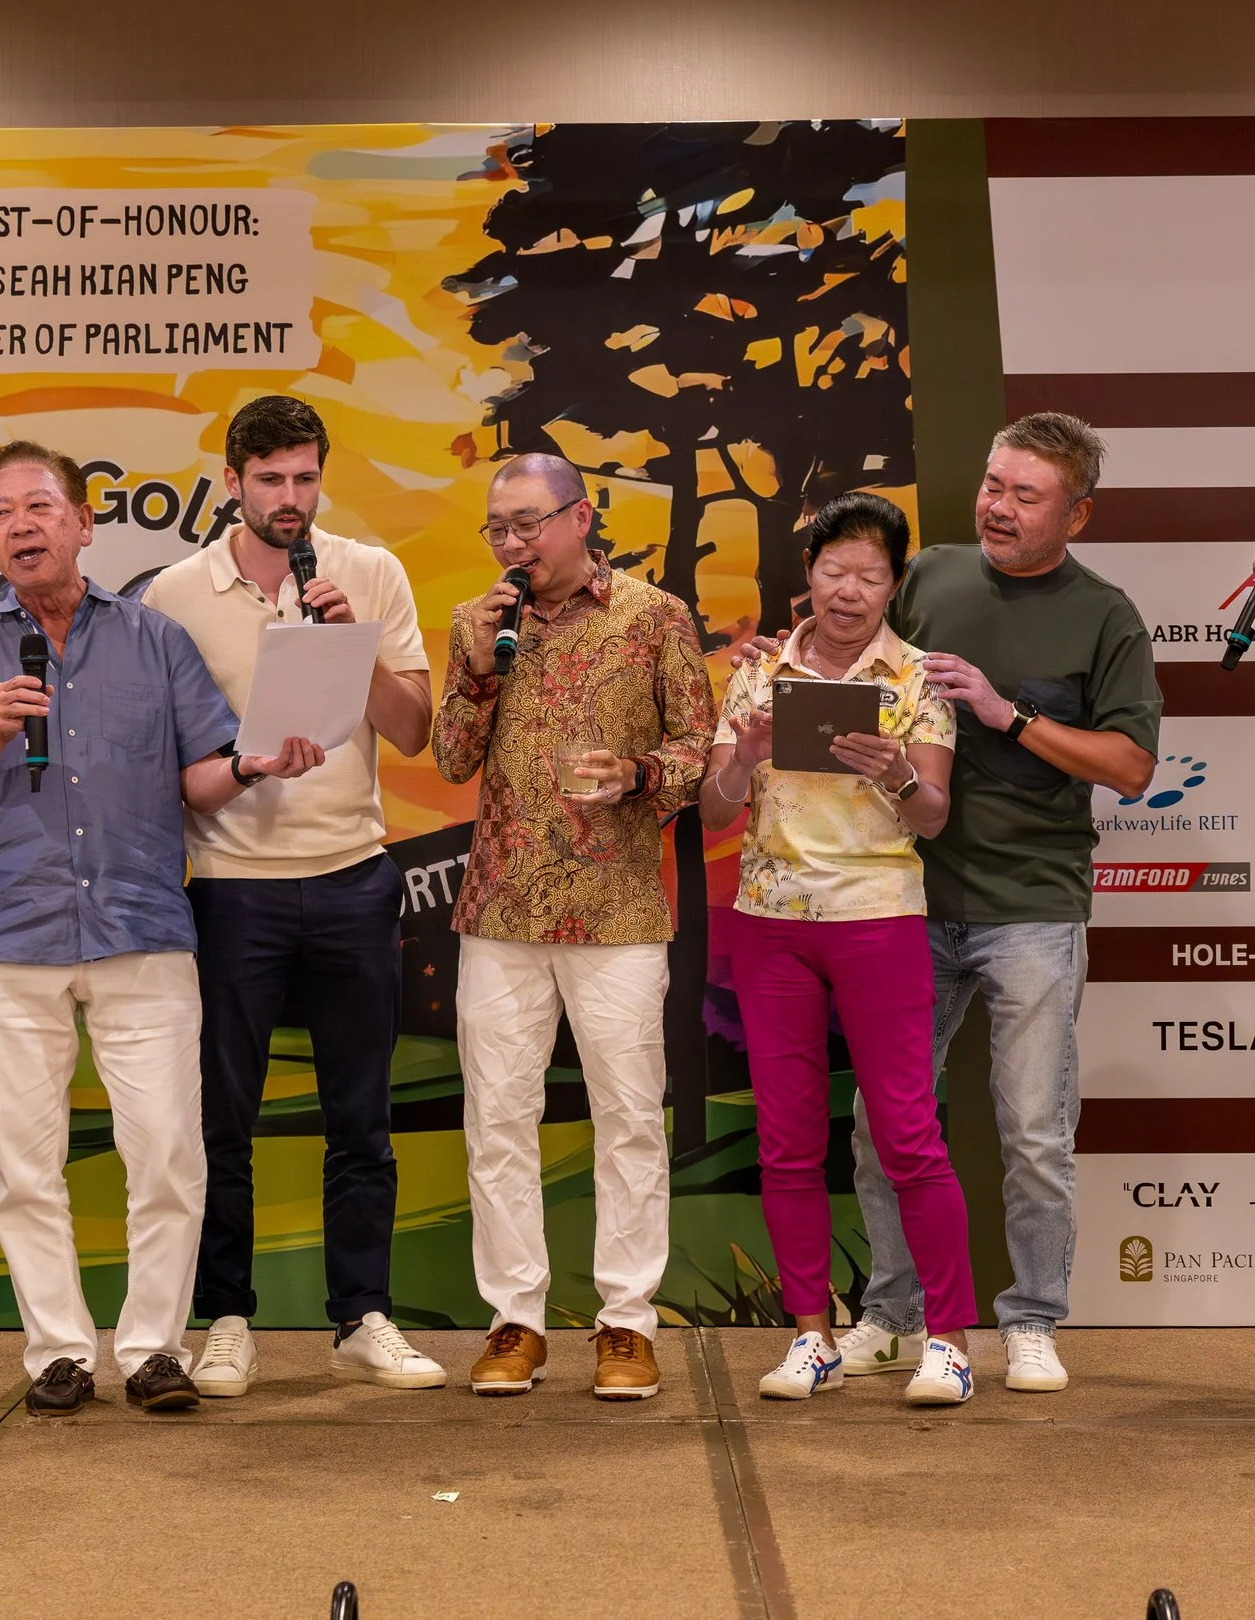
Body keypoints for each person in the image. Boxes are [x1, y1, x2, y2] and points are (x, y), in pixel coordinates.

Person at [0, 440, 319, 1418]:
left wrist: (253, 764)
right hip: (11, 937)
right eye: (0, 514)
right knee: (23, 1167)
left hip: (142, 926)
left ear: (83, 523)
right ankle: (57, 1349)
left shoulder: (155, 640)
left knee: (169, 1153)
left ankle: (152, 1350)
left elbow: (200, 778)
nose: (22, 526)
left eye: (40, 506)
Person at [827, 413, 1161, 1395]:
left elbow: (1131, 765)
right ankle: (892, 1314)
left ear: (1076, 514)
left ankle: (1032, 1318)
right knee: (882, 1122)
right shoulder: (928, 576)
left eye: (1024, 494)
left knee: (1034, 1131)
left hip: (1033, 907)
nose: (998, 507)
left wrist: (1006, 714)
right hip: (904, 896)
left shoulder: (1105, 616)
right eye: (991, 484)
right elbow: (856, 671)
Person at [142, 396, 444, 1395]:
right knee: (222, 1122)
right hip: (233, 888)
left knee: (361, 1117)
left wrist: (355, 642)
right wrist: (247, 763)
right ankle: (227, 1318)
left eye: (305, 478)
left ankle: (363, 1314)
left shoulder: (369, 571)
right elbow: (166, 754)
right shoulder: (176, 594)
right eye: (269, 479)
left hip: (353, 875)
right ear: (231, 481)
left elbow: (413, 730)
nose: (290, 498)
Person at [430, 452, 713, 1400]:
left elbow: (697, 749)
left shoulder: (654, 614)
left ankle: (626, 1321)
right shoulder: (479, 622)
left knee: (628, 1117)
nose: (512, 544)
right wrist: (478, 669)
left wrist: (637, 773)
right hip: (500, 906)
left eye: (528, 524)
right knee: (497, 1119)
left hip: (618, 907)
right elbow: (452, 758)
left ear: (581, 518)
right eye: (497, 528)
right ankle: (515, 1318)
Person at [699, 494, 980, 1407]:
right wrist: (742, 756)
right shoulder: (756, 672)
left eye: (870, 575)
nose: (849, 590)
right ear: (809, 573)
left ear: (893, 585)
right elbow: (714, 810)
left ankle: (949, 1341)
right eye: (834, 570)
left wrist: (897, 772)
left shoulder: (917, 679)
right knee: (785, 1142)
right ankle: (811, 1336)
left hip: (878, 917)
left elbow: (931, 817)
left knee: (908, 1133)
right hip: (770, 921)